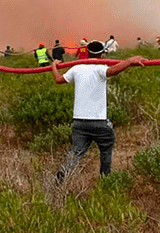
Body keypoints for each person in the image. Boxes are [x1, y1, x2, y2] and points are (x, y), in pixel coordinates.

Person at [52, 40, 146, 181]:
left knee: (76, 153)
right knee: (106, 152)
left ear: (87, 52)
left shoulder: (77, 68)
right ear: (102, 54)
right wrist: (130, 60)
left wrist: (54, 66)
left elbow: (59, 79)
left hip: (79, 122)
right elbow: (112, 71)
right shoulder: (100, 67)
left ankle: (62, 175)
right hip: (99, 122)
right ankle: (105, 180)